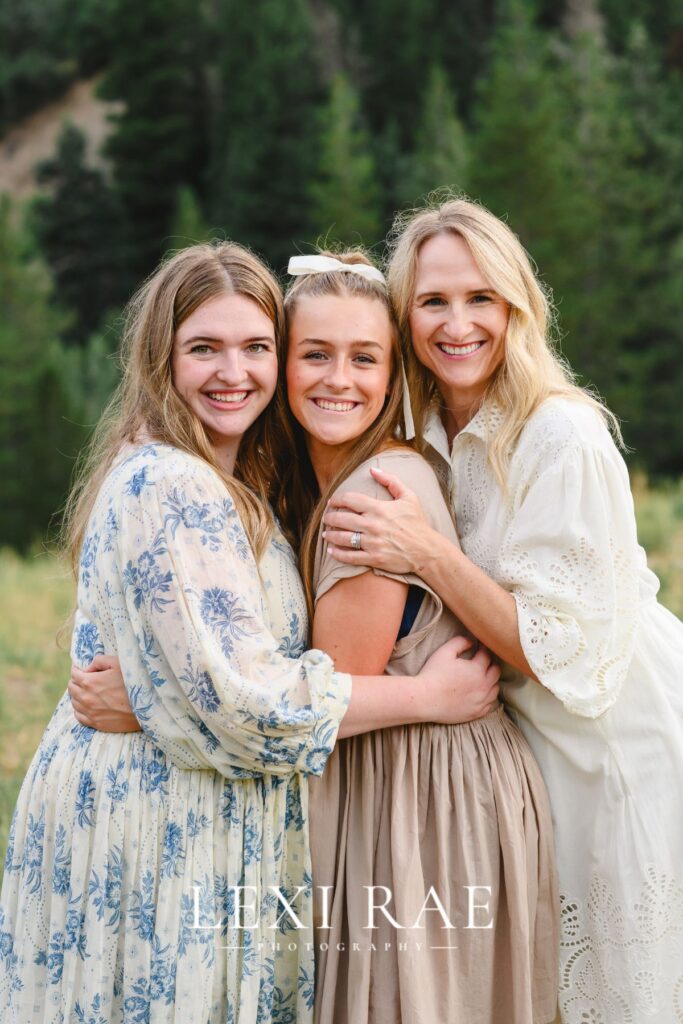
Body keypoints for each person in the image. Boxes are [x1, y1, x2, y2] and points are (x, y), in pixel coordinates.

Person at [0, 241, 500, 1023]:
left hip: (185, 799)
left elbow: (217, 672)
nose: (233, 371)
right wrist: (427, 694)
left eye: (254, 348)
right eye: (204, 348)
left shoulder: (238, 479)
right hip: (157, 820)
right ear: (160, 358)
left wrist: (158, 695)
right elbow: (249, 704)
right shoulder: (176, 484)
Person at [320, 199, 683, 1024]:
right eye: (432, 302)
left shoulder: (562, 434)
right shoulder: (418, 428)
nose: (457, 324)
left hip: (616, 748)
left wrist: (431, 556)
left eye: (480, 298)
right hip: (523, 762)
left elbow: (555, 652)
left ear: (517, 306)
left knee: (624, 993)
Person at [279, 250, 558, 1024]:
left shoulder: (370, 495)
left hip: (419, 803)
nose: (340, 379)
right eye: (315, 354)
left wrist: (156, 700)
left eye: (364, 358)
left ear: (394, 371)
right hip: (431, 787)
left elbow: (320, 708)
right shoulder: (325, 476)